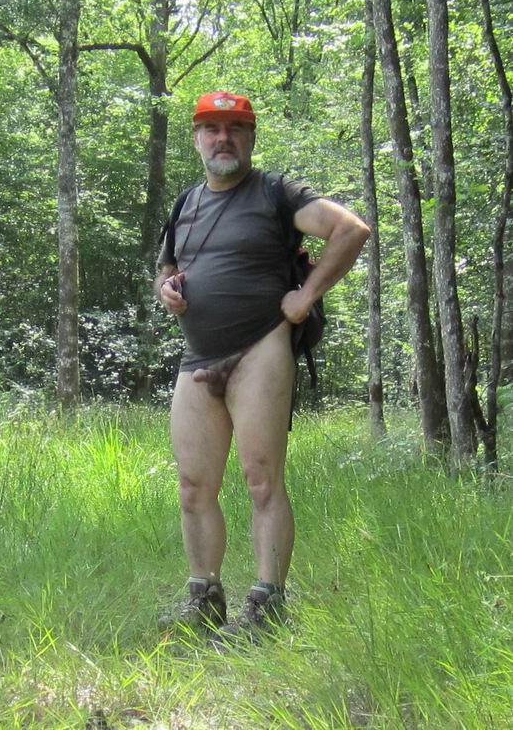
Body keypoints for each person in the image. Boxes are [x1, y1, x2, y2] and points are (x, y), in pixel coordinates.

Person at [154, 91, 370, 643]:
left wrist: (307, 295)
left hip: (261, 350)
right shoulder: (185, 204)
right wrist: (167, 290)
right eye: (212, 129)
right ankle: (204, 598)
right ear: (197, 139)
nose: (223, 138)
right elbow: (167, 268)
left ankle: (267, 605)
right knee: (193, 486)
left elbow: (351, 229)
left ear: (250, 137)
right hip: (198, 357)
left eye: (235, 128)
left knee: (261, 479)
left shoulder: (276, 193)